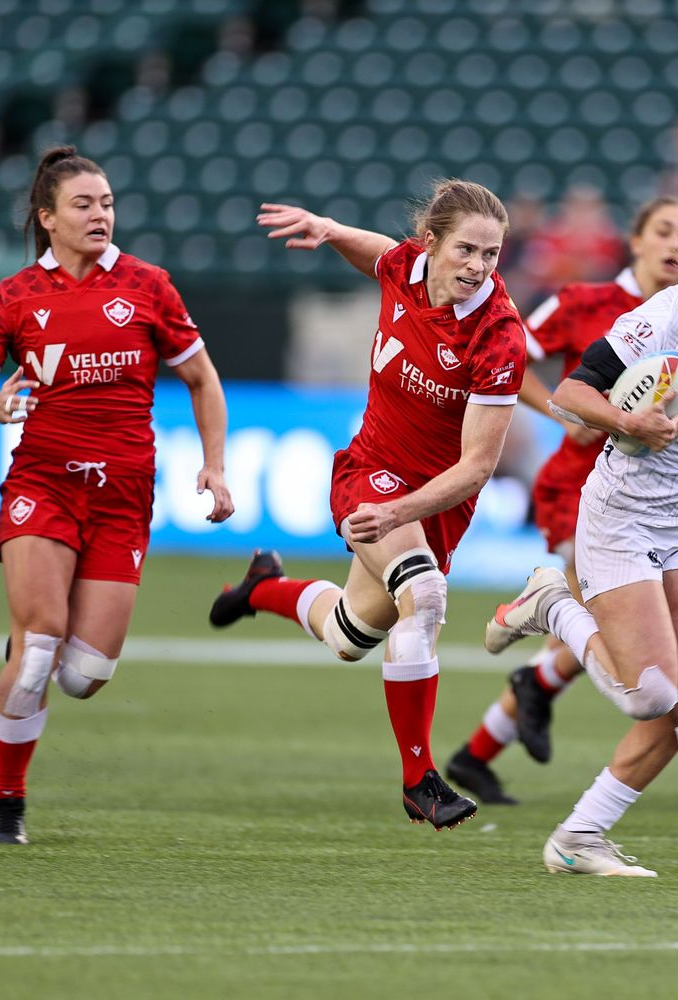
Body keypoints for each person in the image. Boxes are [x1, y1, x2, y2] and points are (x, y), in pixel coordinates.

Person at [483, 193, 678, 876]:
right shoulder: (658, 319)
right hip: (620, 518)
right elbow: (572, 393)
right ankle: (552, 606)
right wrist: (630, 423)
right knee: (650, 695)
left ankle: (580, 837)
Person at [208, 179, 527, 831]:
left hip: (432, 502)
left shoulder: (499, 338)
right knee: (426, 597)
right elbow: (377, 252)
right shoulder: (405, 266)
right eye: (466, 249)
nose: (477, 267)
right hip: (371, 473)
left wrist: (406, 510)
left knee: (350, 634)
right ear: (431, 243)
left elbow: (476, 469)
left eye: (491, 255)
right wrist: (329, 227)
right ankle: (420, 782)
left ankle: (262, 588)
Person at [0, 146, 234, 845]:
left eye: (105, 203)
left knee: (82, 676)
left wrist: (215, 467)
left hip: (123, 496)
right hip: (42, 483)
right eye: (83, 204)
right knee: (39, 647)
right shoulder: (16, 297)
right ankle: (7, 804)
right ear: (47, 218)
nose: (100, 214)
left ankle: (24, 638)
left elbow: (202, 379)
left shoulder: (148, 286)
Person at [444, 196, 678, 806]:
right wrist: (561, 407)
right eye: (662, 230)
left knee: (602, 638)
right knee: (608, 627)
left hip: (655, 504)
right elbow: (509, 356)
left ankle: (479, 749)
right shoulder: (585, 303)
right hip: (579, 493)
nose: (674, 245)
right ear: (633, 240)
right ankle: (530, 665)